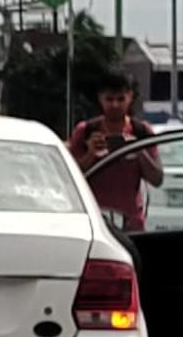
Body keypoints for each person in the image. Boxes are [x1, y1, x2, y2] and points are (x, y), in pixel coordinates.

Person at [67, 70, 165, 232]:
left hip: (132, 223)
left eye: (120, 99)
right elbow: (70, 178)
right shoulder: (85, 131)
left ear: (130, 97)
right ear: (100, 98)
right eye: (109, 99)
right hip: (95, 221)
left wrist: (137, 149)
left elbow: (157, 179)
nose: (115, 105)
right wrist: (91, 153)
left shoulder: (142, 131)